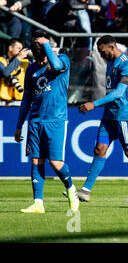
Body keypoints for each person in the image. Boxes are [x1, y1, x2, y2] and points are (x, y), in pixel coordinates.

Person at [76, 35, 128, 203]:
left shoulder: (126, 65)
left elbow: (119, 93)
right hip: (109, 115)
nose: (101, 55)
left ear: (112, 47)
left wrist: (94, 104)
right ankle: (85, 191)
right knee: (99, 149)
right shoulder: (110, 63)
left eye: (103, 52)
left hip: (123, 115)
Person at [14, 36, 79, 214]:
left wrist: (46, 46)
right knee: (36, 160)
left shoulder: (62, 59)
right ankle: (38, 203)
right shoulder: (32, 69)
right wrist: (19, 125)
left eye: (41, 57)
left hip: (56, 119)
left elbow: (57, 66)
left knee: (56, 162)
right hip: (35, 120)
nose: (39, 61)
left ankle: (71, 189)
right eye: (37, 57)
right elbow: (26, 98)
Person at [0, 38, 28, 103]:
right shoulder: (1, 60)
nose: (20, 51)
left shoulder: (25, 62)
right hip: (3, 102)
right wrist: (18, 58)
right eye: (19, 48)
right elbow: (5, 73)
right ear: (10, 48)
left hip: (20, 100)